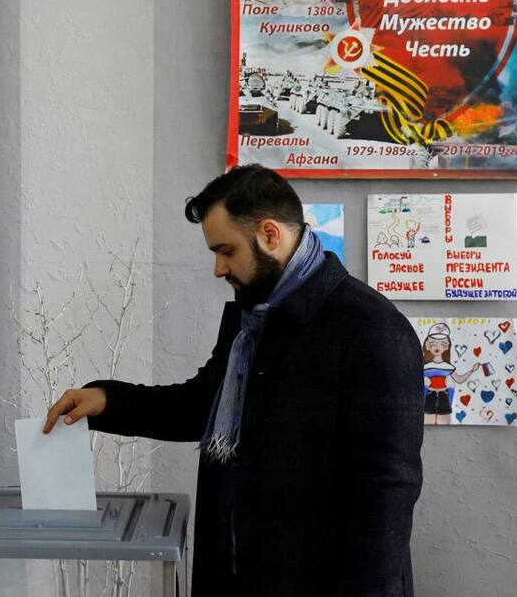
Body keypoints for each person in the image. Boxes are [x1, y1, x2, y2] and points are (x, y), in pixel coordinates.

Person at [45, 165, 424, 596]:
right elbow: (201, 405)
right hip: (237, 572)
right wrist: (107, 401)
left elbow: (388, 491)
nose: (218, 268)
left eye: (226, 251)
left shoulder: (371, 328)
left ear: (269, 234)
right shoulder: (252, 321)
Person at [420, 323, 482, 426]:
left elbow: (459, 379)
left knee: (444, 423)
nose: (437, 347)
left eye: (441, 344)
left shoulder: (448, 367)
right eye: (433, 344)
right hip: (429, 396)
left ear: (446, 346)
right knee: (427, 422)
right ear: (427, 346)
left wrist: (472, 370)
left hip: (444, 397)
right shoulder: (425, 366)